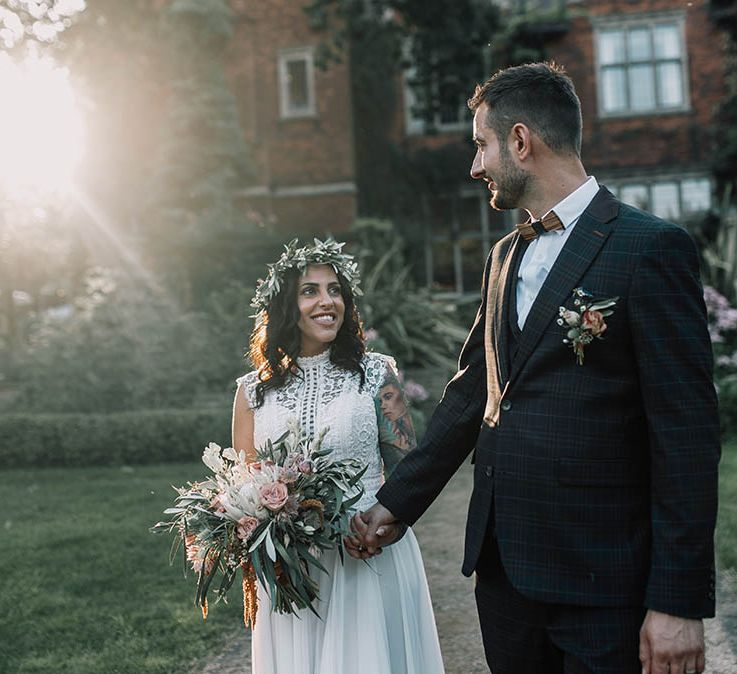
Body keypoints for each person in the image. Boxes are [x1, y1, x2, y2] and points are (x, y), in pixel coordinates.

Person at [354, 62, 720, 674]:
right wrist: (395, 504)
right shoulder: (504, 255)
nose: (474, 166)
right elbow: (474, 394)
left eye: (481, 144)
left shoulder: (648, 248)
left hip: (603, 581)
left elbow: (686, 437)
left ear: (521, 141)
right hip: (506, 577)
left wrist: (677, 604)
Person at [231, 238, 445, 674]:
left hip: (367, 550)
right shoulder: (252, 390)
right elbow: (243, 486)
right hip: (294, 568)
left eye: (335, 290)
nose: (327, 301)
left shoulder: (377, 374)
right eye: (310, 291)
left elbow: (408, 469)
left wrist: (390, 524)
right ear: (285, 305)